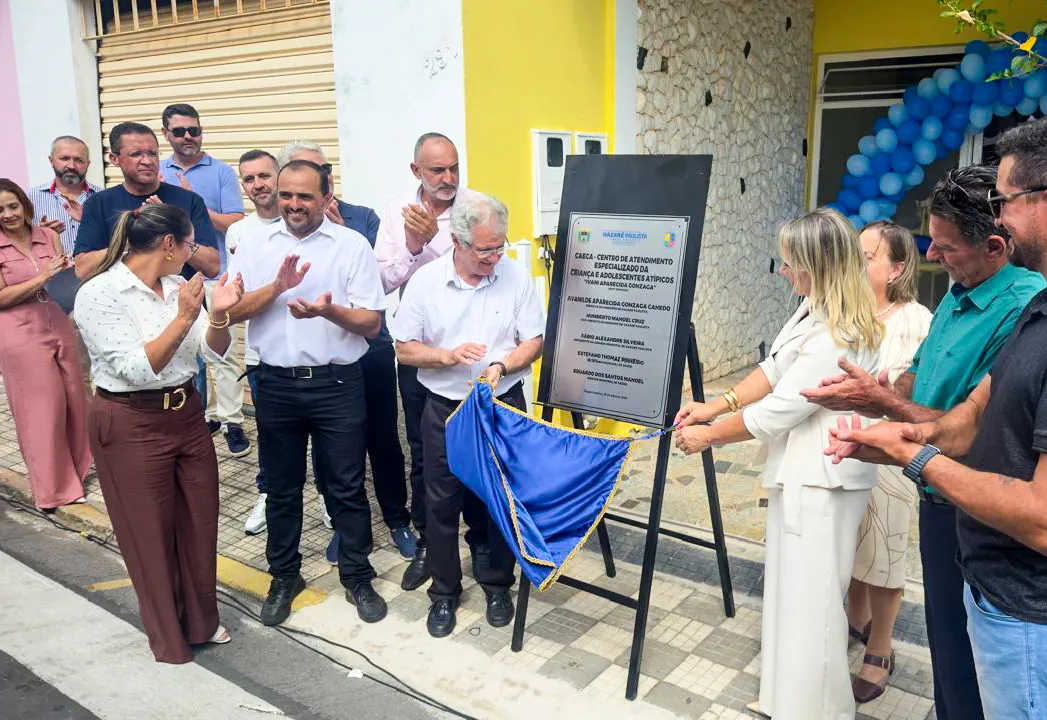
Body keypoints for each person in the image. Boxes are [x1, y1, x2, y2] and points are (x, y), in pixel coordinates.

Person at [802, 165, 1044, 720]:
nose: (933, 256)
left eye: (947, 246)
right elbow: (919, 377)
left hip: (981, 504)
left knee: (975, 660)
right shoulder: (963, 293)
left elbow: (970, 427)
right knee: (948, 642)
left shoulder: (1022, 309)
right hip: (940, 495)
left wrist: (891, 421)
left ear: (996, 243)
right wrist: (878, 395)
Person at [673, 208, 882, 719]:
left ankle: (821, 710)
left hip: (826, 480)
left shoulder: (841, 332)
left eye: (790, 263)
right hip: (800, 474)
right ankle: (785, 699)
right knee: (791, 594)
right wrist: (716, 404)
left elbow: (777, 411)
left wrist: (708, 437)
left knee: (814, 603)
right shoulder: (811, 307)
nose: (783, 271)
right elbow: (770, 370)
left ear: (816, 266)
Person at [74, 203, 243, 663]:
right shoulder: (100, 293)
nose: (193, 254)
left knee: (199, 521)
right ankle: (169, 638)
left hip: (185, 414)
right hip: (131, 419)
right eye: (190, 245)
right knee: (148, 533)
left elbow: (213, 354)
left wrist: (221, 315)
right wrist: (186, 317)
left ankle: (202, 622)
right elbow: (135, 367)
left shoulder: (176, 287)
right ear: (169, 245)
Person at [228, 160, 389, 626]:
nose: (294, 205)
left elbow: (371, 322)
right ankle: (285, 576)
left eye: (304, 196)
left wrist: (328, 311)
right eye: (286, 196)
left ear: (325, 195)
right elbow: (232, 311)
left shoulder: (351, 245)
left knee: (346, 487)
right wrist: (277, 288)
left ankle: (357, 575)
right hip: (275, 384)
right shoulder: (252, 242)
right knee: (281, 489)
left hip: (337, 384)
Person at [389, 190, 545, 638]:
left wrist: (502, 365)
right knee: (440, 503)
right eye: (484, 250)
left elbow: (534, 340)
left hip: (499, 405)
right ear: (457, 241)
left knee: (499, 499)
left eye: (500, 246)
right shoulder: (425, 282)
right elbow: (404, 349)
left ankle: (498, 585)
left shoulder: (514, 276)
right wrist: (447, 357)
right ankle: (444, 594)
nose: (495, 257)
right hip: (445, 409)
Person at [276, 141, 417, 563]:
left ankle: (397, 518)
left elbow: (380, 277)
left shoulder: (362, 219)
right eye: (297, 177)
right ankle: (344, 525)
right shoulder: (279, 227)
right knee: (332, 449)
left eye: (321, 170)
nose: (307, 188)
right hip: (321, 361)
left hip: (369, 348)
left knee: (383, 438)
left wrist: (341, 232)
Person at [376, 132, 490, 592]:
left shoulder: (478, 206)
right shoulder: (396, 213)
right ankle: (430, 545)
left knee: (481, 453)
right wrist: (416, 245)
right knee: (425, 457)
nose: (448, 178)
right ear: (416, 171)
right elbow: (383, 281)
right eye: (437, 170)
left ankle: (482, 543)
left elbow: (491, 264)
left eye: (454, 168)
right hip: (421, 353)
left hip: (479, 356)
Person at [845, 221, 931, 703]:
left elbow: (918, 391)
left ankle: (880, 647)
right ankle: (855, 618)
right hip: (839, 445)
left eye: (868, 257)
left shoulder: (919, 320)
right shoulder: (844, 311)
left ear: (897, 268)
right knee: (850, 543)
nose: (857, 264)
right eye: (855, 254)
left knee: (884, 548)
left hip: (890, 454)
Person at [159, 103, 248, 456]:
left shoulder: (221, 172)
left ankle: (232, 421)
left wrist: (192, 202)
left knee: (221, 353)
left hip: (214, 273)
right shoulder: (157, 171)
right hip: (171, 277)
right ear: (166, 134)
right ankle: (200, 416)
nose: (188, 137)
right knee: (185, 352)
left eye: (194, 130)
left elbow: (236, 221)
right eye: (179, 131)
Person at [0, 178, 90, 510]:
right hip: (19, 332)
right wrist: (41, 278)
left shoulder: (48, 235)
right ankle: (53, 489)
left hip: (58, 320)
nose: (9, 214)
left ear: (25, 205)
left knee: (75, 400)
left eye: (13, 206)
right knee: (42, 410)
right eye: (1, 210)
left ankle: (78, 471)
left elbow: (63, 275)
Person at [73, 121, 219, 282]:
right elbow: (83, 269)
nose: (147, 161)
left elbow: (212, 267)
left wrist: (170, 226)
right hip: (124, 303)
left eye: (153, 154)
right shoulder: (98, 203)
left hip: (182, 301)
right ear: (114, 159)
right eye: (136, 154)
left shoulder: (189, 200)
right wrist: (136, 238)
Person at [226, 150, 282, 536]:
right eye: (250, 179)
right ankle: (269, 494)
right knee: (271, 434)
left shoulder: (308, 222)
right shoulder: (239, 232)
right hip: (264, 356)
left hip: (318, 355)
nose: (259, 184)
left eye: (265, 175)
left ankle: (329, 500)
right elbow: (235, 302)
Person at [27, 136, 102, 256]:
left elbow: (115, 240)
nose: (71, 166)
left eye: (79, 160)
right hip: (51, 273)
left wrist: (90, 222)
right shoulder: (30, 198)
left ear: (88, 164)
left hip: (96, 272)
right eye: (64, 158)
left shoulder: (102, 197)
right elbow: (17, 241)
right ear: (51, 161)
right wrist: (40, 234)